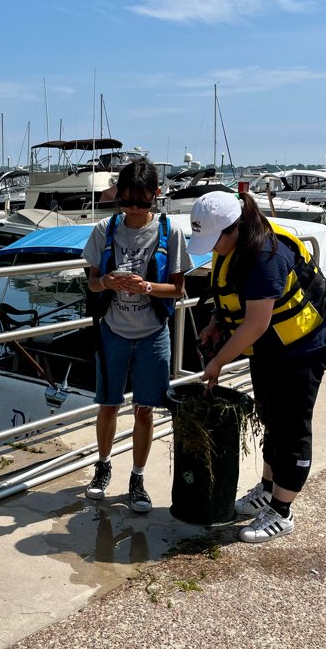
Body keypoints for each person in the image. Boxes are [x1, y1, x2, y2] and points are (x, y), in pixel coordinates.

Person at [187, 191, 326, 542]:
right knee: (270, 416)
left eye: (215, 240)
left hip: (304, 345)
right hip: (271, 346)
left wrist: (217, 362)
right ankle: (268, 489)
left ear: (235, 228)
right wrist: (216, 322)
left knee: (291, 427)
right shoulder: (233, 244)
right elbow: (232, 297)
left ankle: (282, 511)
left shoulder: (265, 256)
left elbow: (255, 323)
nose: (214, 247)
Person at [82, 157, 193, 512]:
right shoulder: (104, 230)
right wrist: (109, 282)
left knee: (145, 409)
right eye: (126, 201)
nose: (133, 208)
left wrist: (146, 287)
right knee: (108, 404)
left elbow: (177, 289)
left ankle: (138, 476)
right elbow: (92, 282)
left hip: (152, 333)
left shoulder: (169, 230)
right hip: (112, 330)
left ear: (155, 195)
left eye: (141, 202)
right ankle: (102, 467)